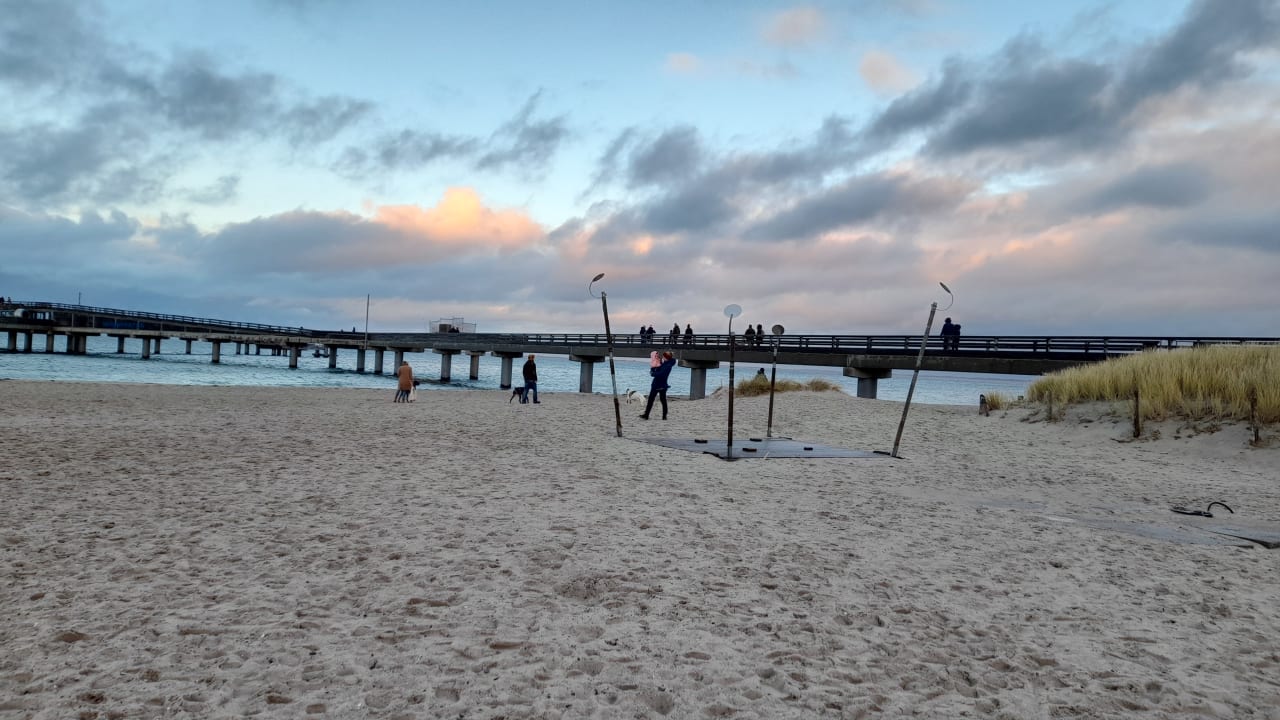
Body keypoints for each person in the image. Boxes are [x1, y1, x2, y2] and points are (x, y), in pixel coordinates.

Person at [639, 351, 676, 420]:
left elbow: (661, 374)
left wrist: (652, 373)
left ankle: (663, 416)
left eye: (664, 356)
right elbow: (657, 369)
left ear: (666, 358)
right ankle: (647, 415)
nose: (662, 357)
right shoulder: (665, 363)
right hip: (659, 384)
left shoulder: (668, 366)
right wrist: (653, 367)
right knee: (654, 400)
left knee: (661, 400)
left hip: (660, 384)